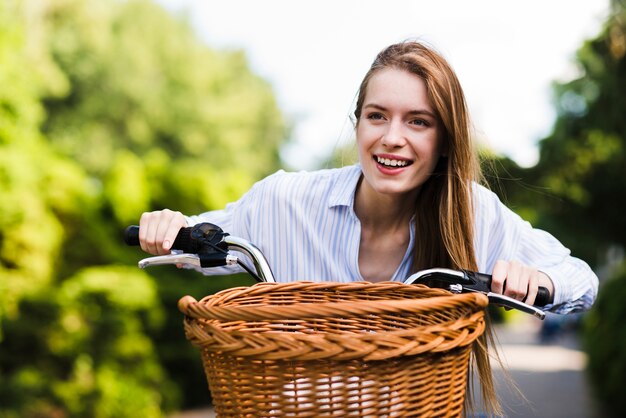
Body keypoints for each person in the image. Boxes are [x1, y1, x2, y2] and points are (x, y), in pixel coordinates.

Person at [137, 40, 598, 414]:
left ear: (444, 141)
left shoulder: (472, 212)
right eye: (377, 116)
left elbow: (579, 278)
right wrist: (170, 227)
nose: (391, 137)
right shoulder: (284, 201)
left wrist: (540, 280)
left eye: (418, 122)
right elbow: (202, 237)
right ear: (358, 125)